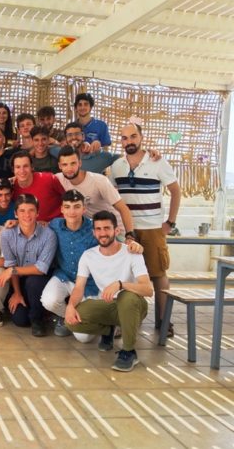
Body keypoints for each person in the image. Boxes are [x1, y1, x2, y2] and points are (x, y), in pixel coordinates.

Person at [109, 123, 181, 335]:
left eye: (133, 136)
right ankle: (129, 319)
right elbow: (111, 194)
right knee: (127, 276)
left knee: (158, 274)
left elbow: (176, 191)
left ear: (141, 137)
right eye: (124, 138)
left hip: (152, 229)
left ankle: (164, 321)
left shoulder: (157, 162)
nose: (129, 141)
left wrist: (170, 222)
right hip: (126, 230)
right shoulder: (117, 166)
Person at [41, 190, 143, 337]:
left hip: (88, 283)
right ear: (62, 209)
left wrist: (133, 245)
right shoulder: (55, 225)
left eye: (77, 207)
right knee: (48, 300)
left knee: (84, 338)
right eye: (67, 207)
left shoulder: (94, 229)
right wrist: (16, 222)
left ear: (84, 209)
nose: (72, 211)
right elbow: (35, 226)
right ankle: (67, 317)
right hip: (64, 276)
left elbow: (113, 243)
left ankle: (101, 325)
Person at [65, 211, 153, 372]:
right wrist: (70, 306)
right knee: (71, 319)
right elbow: (79, 287)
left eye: (107, 228)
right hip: (109, 305)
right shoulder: (88, 256)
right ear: (94, 232)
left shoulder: (131, 253)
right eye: (98, 229)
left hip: (134, 306)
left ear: (116, 230)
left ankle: (129, 352)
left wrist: (120, 284)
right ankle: (109, 330)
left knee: (127, 297)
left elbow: (148, 290)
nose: (103, 233)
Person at [0, 194, 57, 336]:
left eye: (31, 210)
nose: (27, 215)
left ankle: (37, 319)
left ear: (37, 213)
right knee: (20, 320)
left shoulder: (49, 235)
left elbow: (41, 269)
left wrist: (13, 270)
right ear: (15, 214)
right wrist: (17, 293)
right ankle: (35, 308)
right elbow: (11, 264)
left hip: (41, 279)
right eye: (22, 211)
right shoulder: (7, 235)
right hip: (20, 279)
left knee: (33, 282)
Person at [56, 146, 135, 237]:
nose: (69, 168)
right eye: (65, 164)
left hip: (116, 230)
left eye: (73, 163)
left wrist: (129, 235)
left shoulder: (99, 181)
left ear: (80, 163)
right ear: (60, 166)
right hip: (94, 231)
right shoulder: (58, 179)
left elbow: (123, 208)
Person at [11, 150, 65, 223]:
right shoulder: (11, 187)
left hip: (59, 224)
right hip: (32, 227)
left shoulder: (48, 179)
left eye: (25, 166)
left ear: (32, 167)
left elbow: (68, 199)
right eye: (18, 167)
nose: (22, 170)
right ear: (13, 170)